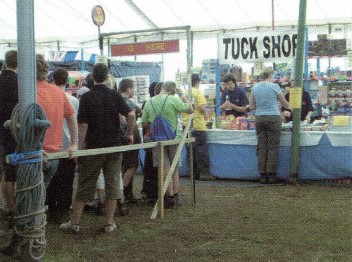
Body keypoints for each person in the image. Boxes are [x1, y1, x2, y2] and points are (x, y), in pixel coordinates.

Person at [60, 63, 135, 233]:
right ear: (107, 77)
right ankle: (109, 223)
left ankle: (75, 223)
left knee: (85, 184)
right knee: (113, 183)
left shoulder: (87, 97)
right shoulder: (114, 95)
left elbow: (83, 125)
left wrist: (79, 147)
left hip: (94, 147)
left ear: (92, 76)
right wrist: (129, 134)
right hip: (114, 147)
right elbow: (130, 115)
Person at [141, 81, 193, 208]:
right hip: (174, 137)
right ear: (173, 90)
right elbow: (190, 109)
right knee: (174, 167)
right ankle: (175, 195)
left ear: (162, 89)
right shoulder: (173, 100)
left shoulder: (150, 102)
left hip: (157, 139)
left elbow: (144, 123)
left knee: (163, 167)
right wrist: (183, 96)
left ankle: (168, 196)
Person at [36, 54, 78, 188]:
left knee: (31, 197)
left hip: (34, 155)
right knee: (41, 193)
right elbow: (72, 117)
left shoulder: (27, 93)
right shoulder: (58, 92)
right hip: (54, 155)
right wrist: (74, 144)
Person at [46, 67, 79, 224]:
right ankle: (63, 210)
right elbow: (75, 122)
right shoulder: (73, 101)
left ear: (52, 79)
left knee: (52, 179)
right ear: (67, 81)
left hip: (53, 143)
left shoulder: (48, 97)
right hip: (68, 146)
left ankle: (51, 208)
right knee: (67, 181)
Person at [249, 67, 290, 184]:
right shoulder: (274, 86)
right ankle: (271, 175)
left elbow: (251, 106)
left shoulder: (255, 87)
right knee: (272, 147)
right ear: (271, 75)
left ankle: (262, 175)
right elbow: (285, 104)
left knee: (262, 147)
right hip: (273, 118)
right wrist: (293, 106)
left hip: (259, 118)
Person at [182, 73, 215, 181]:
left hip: (187, 125)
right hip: (198, 125)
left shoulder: (186, 93)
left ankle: (193, 172)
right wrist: (206, 113)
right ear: (198, 82)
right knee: (201, 150)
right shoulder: (197, 92)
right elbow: (201, 108)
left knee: (190, 150)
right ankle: (204, 173)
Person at [0, 50, 18, 223]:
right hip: (11, 133)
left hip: (2, 132)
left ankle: (8, 206)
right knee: (10, 172)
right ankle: (12, 208)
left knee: (5, 170)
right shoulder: (18, 83)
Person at [118, 78, 142, 203]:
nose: (134, 91)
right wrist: (130, 133)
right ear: (128, 89)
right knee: (132, 165)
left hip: (117, 137)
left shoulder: (115, 100)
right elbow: (128, 119)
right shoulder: (129, 104)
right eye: (133, 88)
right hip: (128, 137)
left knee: (121, 165)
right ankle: (120, 192)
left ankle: (119, 191)